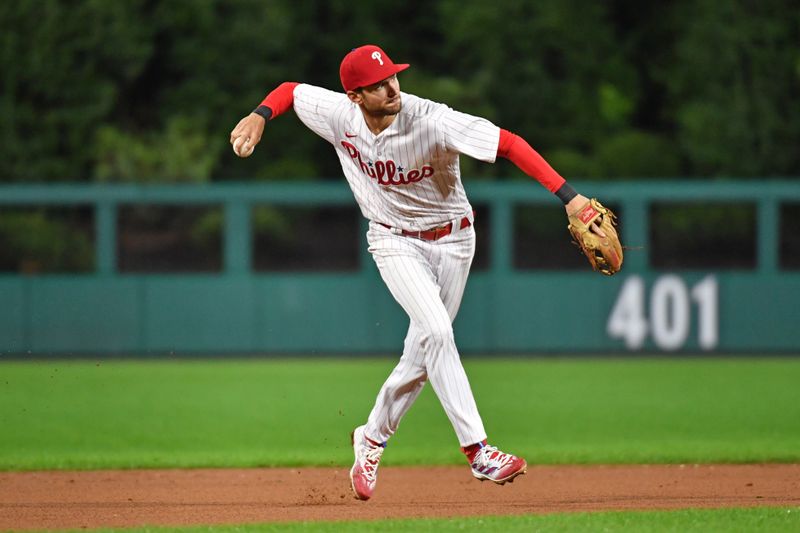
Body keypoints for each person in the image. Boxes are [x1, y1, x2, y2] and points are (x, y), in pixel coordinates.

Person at [230, 45, 598, 501]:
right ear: (355, 96)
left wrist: (572, 198)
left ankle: (371, 436)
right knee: (438, 332)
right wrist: (260, 115)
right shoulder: (339, 115)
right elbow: (291, 91)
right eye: (378, 85)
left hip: (454, 240)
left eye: (393, 78)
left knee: (423, 352)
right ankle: (479, 451)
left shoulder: (432, 119)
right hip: (392, 240)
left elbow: (509, 144)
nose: (392, 87)